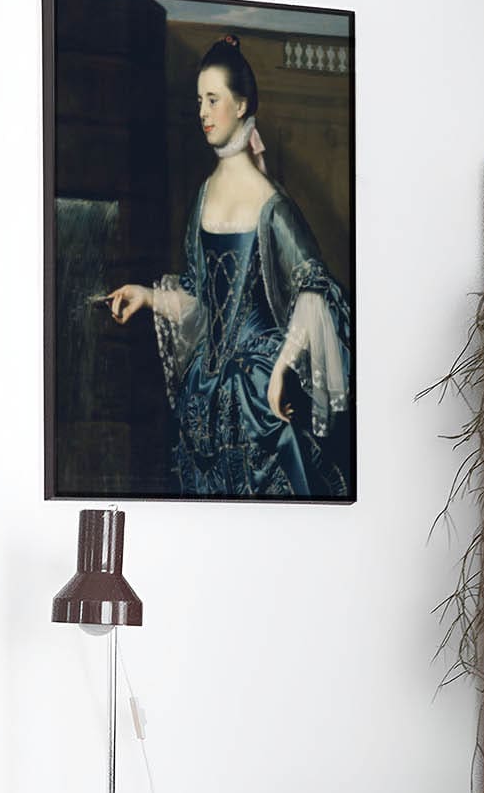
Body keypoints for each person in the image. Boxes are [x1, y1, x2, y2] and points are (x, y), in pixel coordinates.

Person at [108, 34, 351, 498]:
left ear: (241, 106)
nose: (202, 112)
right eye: (199, 100)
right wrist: (145, 295)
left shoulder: (270, 202)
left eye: (213, 100)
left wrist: (281, 369)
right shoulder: (204, 194)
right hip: (207, 390)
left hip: (259, 391)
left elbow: (313, 288)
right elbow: (198, 299)